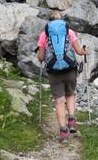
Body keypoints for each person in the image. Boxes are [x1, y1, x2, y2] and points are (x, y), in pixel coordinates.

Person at [37, 11, 88, 142]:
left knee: (59, 101)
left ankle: (64, 132)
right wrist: (84, 51)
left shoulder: (44, 34)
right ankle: (71, 121)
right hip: (70, 69)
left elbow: (41, 57)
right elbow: (79, 51)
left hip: (54, 72)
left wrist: (40, 55)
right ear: (62, 21)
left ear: (49, 22)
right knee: (70, 94)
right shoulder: (69, 32)